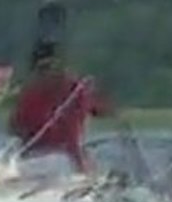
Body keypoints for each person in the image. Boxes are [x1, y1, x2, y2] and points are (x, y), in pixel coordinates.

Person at [8, 41, 112, 172]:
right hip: (57, 158)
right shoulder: (72, 90)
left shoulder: (74, 90)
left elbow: (15, 127)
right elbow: (16, 126)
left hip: (45, 158)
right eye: (44, 69)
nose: (47, 73)